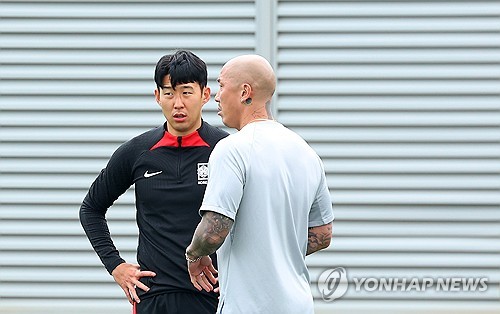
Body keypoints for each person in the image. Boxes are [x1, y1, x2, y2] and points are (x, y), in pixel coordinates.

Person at [79, 50, 228, 314]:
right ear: (157, 96)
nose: (178, 103)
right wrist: (116, 266)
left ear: (205, 95)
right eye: (169, 93)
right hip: (154, 298)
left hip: (214, 297)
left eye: (186, 91)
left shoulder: (226, 150)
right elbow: (91, 208)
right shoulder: (137, 152)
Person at [185, 54, 334, 313]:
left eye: (221, 85)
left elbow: (213, 232)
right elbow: (323, 236)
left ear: (245, 92)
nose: (217, 96)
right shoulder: (307, 153)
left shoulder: (231, 149)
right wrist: (277, 253)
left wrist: (194, 255)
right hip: (299, 306)